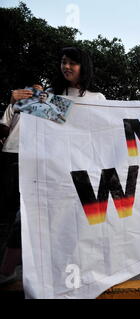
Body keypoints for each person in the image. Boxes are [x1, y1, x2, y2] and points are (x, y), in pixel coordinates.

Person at [0, 46, 106, 285]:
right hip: (47, 169)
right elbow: (26, 127)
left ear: (84, 66)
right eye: (63, 62)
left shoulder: (98, 100)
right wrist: (13, 102)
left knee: (74, 223)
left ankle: (65, 270)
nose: (66, 67)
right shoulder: (48, 95)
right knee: (24, 218)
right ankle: (7, 270)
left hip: (80, 172)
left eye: (73, 63)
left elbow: (103, 135)